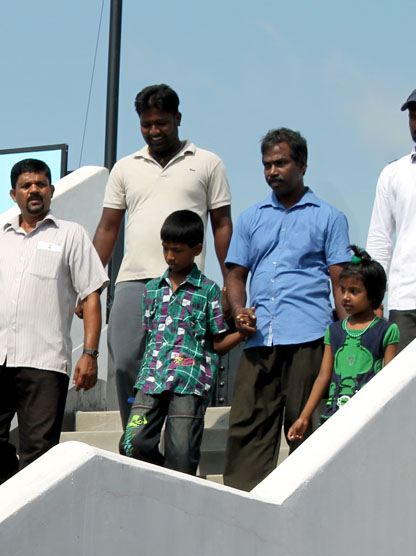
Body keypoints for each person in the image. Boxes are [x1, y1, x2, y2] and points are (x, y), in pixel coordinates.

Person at [0, 158, 109, 489]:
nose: (34, 190)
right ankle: (16, 498)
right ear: (14, 194)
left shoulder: (71, 236)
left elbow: (91, 295)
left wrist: (90, 353)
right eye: (26, 185)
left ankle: (28, 510)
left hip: (45, 361)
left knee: (38, 451)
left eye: (40, 184)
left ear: (51, 191)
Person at [93, 84, 233, 427]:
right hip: (133, 279)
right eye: (146, 124)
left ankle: (177, 434)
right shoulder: (125, 167)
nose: (154, 131)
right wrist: (90, 282)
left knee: (182, 364)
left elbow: (222, 225)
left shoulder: (207, 163)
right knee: (125, 360)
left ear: (178, 118)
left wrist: (231, 281)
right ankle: (137, 433)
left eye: (161, 123)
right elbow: (108, 227)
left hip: (187, 284)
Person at [222, 128, 352, 491]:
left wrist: (347, 343)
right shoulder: (251, 218)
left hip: (310, 339)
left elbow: (340, 282)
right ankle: (244, 512)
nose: (272, 171)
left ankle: (309, 511)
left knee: (307, 433)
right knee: (247, 431)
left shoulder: (329, 217)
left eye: (281, 163)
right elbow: (236, 274)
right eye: (267, 165)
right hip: (259, 339)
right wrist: (238, 311)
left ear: (302, 164)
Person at [120, 210, 242, 475]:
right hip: (151, 379)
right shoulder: (152, 289)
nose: (170, 256)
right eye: (166, 249)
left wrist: (242, 334)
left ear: (196, 249)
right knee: (132, 443)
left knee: (182, 455)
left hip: (190, 382)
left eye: (177, 250)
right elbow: (151, 336)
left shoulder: (208, 290)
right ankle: (160, 477)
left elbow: (217, 343)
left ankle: (173, 491)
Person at [287, 248, 400, 442]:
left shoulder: (387, 331)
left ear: (373, 295)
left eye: (354, 291)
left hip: (369, 416)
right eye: (343, 290)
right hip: (334, 416)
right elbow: (323, 376)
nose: (345, 297)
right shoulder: (334, 331)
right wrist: (304, 416)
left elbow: (389, 380)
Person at [365, 88, 416, 351]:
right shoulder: (393, 173)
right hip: (405, 300)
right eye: (413, 116)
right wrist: (374, 300)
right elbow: (379, 240)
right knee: (403, 388)